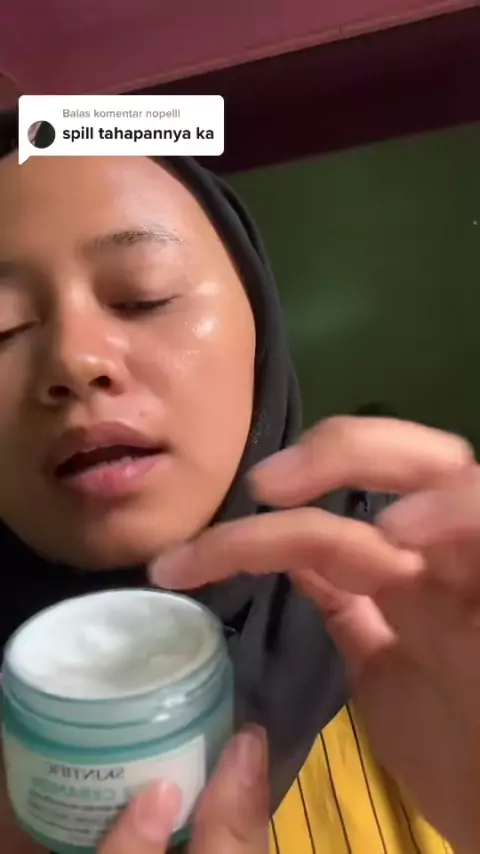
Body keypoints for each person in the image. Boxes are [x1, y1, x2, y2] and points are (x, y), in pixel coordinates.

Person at [0, 112, 479, 854]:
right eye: (1, 328)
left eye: (144, 295)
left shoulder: (436, 625)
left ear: (259, 320)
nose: (76, 360)